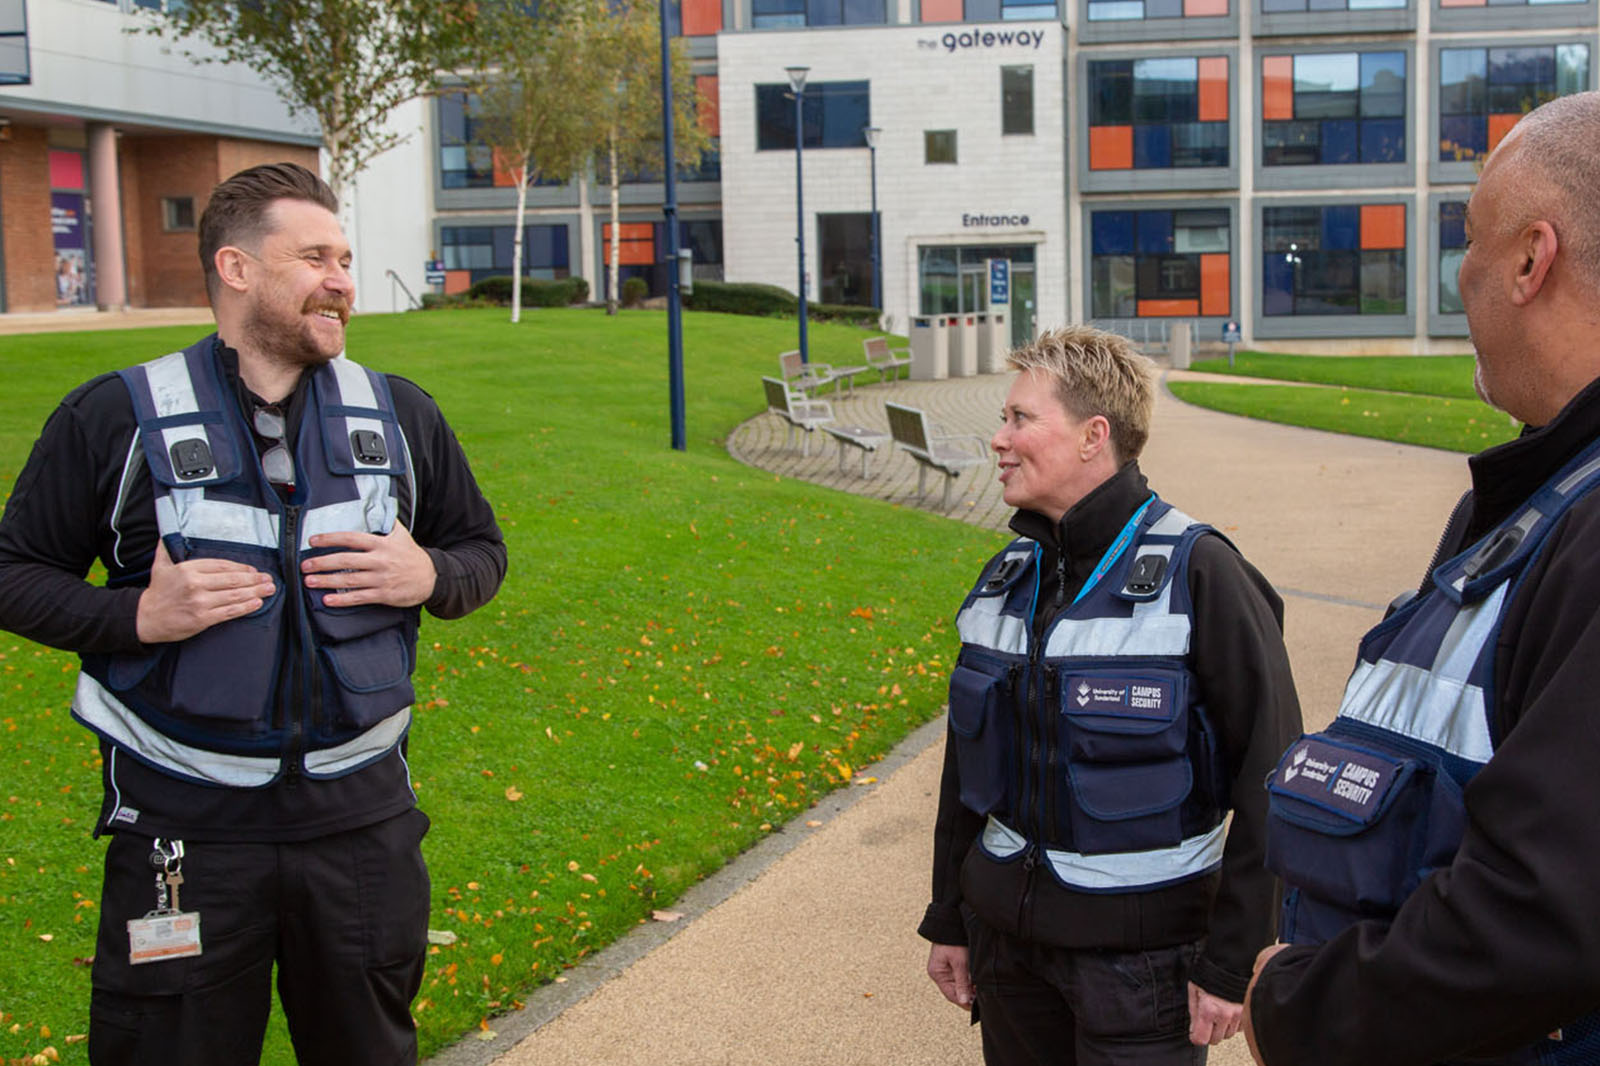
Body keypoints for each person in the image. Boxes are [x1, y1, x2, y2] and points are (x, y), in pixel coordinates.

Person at [0, 162, 507, 1065]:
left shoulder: (398, 415)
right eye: (315, 256)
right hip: (184, 838)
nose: (342, 279)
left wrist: (429, 573)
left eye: (345, 258)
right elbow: (13, 572)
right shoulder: (115, 416)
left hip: (362, 836)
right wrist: (136, 620)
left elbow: (482, 553)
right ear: (236, 270)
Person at [1244, 92, 1600, 1066]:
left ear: (1531, 260)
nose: (1461, 276)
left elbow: (1539, 916)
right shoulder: (1536, 495)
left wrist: (1296, 1001)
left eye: (1470, 245)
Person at [920, 325, 1302, 1065]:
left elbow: (1273, 774)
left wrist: (1233, 961)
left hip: (1143, 968)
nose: (998, 439)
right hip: (1010, 957)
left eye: (1020, 419)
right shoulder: (1008, 577)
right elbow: (963, 774)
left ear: (1095, 435)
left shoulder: (1202, 573)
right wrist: (950, 918)